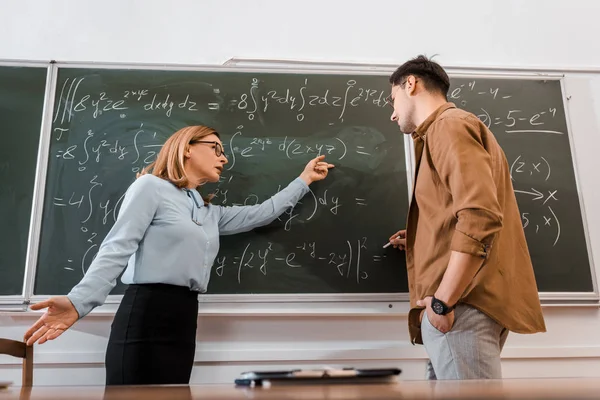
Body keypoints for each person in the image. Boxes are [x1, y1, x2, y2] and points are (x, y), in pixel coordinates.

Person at [24, 125, 334, 385]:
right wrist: (80, 301)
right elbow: (117, 246)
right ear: (187, 147)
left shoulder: (207, 211)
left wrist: (304, 179)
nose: (224, 158)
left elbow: (263, 214)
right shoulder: (151, 188)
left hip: (184, 317)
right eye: (215, 148)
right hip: (146, 313)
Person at [386, 56, 546, 380]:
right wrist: (422, 236)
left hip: (459, 307)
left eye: (393, 100)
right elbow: (467, 211)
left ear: (411, 84)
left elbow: (479, 216)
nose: (392, 113)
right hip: (463, 306)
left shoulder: (448, 126)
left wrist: (442, 303)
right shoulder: (452, 129)